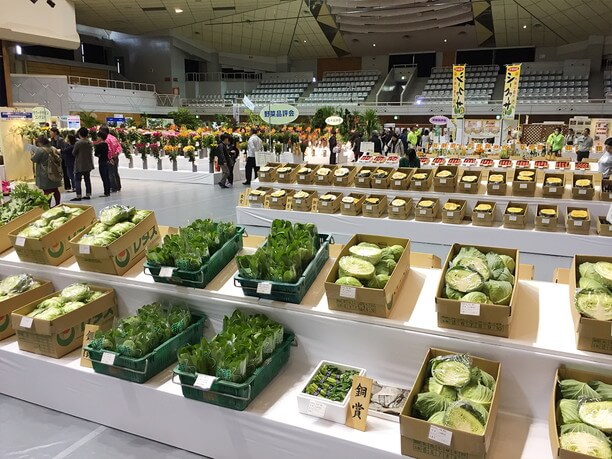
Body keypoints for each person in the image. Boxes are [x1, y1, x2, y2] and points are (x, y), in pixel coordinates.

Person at [31, 136, 62, 207]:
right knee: (55, 190)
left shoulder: (40, 150)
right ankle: (58, 204)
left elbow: (34, 159)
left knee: (47, 191)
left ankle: (48, 206)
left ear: (40, 143)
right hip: (55, 172)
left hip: (44, 173)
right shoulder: (53, 148)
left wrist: (33, 153)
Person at [71, 127, 94, 201]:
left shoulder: (78, 143)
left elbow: (74, 153)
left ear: (79, 134)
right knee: (87, 179)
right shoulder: (89, 142)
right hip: (88, 163)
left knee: (78, 180)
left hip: (79, 164)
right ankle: (88, 194)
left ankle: (78, 195)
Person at [99, 126, 122, 192]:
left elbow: (108, 150)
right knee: (115, 172)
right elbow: (119, 147)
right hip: (116, 156)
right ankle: (118, 186)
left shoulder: (106, 139)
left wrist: (109, 158)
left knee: (110, 173)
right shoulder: (113, 137)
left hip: (110, 157)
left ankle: (113, 187)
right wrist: (116, 153)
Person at [94, 131, 111, 197]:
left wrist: (99, 155)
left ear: (100, 137)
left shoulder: (99, 145)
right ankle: (108, 191)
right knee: (107, 177)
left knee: (104, 177)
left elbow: (96, 154)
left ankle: (106, 192)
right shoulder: (106, 144)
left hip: (102, 162)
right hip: (106, 161)